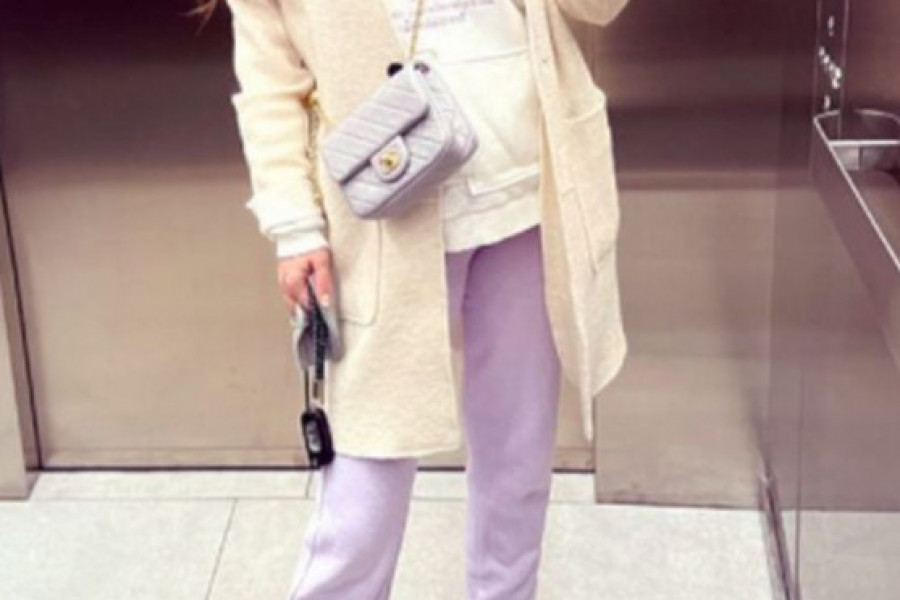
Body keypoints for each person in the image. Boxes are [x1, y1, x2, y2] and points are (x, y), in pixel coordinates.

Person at [194, 0, 631, 597]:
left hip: (529, 195)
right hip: (385, 223)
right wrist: (293, 224)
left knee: (519, 462)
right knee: (364, 492)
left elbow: (598, 10)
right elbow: (271, 84)